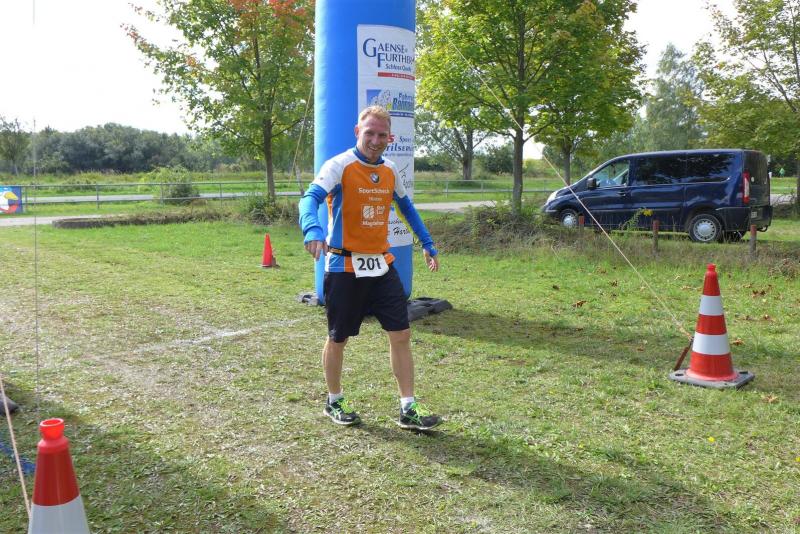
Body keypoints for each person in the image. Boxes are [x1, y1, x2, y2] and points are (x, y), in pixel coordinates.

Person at [298, 105, 442, 430]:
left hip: (381, 265)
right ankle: (334, 400)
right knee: (338, 338)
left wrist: (427, 243)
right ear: (357, 132)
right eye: (369, 133)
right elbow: (310, 199)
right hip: (344, 266)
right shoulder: (339, 166)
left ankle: (408, 407)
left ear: (390, 138)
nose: (375, 140)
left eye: (382, 135)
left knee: (401, 333)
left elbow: (407, 208)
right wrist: (312, 229)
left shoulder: (389, 170)